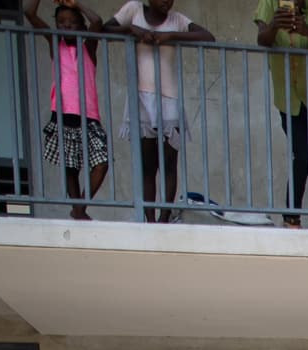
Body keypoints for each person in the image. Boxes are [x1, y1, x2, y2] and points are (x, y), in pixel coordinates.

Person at [104, 0, 212, 222]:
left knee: (170, 163)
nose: (167, 1)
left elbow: (208, 37)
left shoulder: (178, 20)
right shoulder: (134, 10)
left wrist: (171, 36)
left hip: (170, 98)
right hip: (141, 97)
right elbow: (105, 28)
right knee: (148, 165)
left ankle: (164, 218)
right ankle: (150, 219)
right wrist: (132, 30)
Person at [24, 0, 111, 219]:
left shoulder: (88, 46)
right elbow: (29, 13)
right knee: (71, 168)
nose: (67, 26)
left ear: (81, 26)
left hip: (88, 115)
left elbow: (97, 21)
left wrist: (77, 4)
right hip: (62, 113)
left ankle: (79, 207)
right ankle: (79, 211)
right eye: (62, 22)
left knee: (101, 164)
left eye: (73, 22)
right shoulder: (56, 43)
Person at [252, 0, 308, 227]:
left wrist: (306, 30)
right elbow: (262, 39)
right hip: (289, 101)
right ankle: (292, 218)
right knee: (302, 158)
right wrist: (274, 25)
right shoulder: (270, 3)